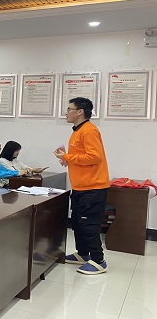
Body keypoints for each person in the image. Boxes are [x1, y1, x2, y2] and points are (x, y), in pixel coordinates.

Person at [54, 97, 109, 275]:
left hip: (92, 188)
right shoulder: (77, 131)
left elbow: (95, 157)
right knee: (78, 224)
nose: (66, 113)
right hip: (80, 187)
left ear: (80, 112)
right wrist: (67, 160)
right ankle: (83, 254)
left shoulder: (89, 130)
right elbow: (83, 158)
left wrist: (67, 157)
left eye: (69, 109)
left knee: (89, 225)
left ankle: (99, 261)